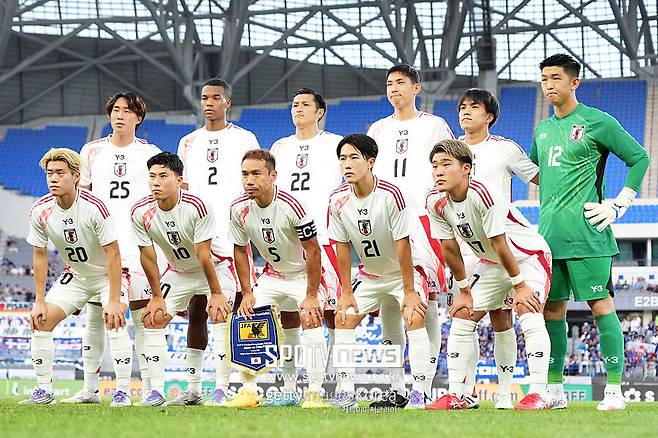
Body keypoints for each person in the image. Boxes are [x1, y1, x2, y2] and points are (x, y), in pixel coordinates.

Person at [530, 53, 649, 411]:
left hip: (589, 235)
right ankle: (554, 391)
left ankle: (613, 391)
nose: (549, 85)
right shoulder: (542, 130)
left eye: (555, 78)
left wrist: (619, 204)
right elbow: (537, 173)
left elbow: (639, 158)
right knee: (552, 313)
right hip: (549, 239)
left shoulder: (597, 121)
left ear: (574, 82)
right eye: (544, 79)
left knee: (601, 307)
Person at [424, 139, 551, 410]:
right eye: (434, 166)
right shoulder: (434, 201)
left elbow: (499, 243)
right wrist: (464, 290)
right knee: (462, 313)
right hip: (491, 262)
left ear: (466, 168)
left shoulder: (482, 193)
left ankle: (539, 393)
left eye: (446, 164)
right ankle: (456, 395)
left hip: (527, 257)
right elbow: (449, 247)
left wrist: (520, 286)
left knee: (527, 308)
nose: (438, 171)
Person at [62, 92, 161, 405]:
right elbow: (80, 199)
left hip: (138, 246)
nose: (119, 115)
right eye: (115, 110)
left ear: (138, 117)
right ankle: (90, 390)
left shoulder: (151, 153)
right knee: (95, 318)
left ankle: (150, 390)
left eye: (127, 111)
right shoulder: (91, 151)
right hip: (100, 248)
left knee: (143, 318)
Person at [367, 64, 453, 404]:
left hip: (422, 219)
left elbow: (449, 166)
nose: (393, 89)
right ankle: (395, 386)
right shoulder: (377, 128)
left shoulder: (434, 125)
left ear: (416, 88)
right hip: (384, 222)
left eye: (400, 83)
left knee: (424, 300)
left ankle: (423, 384)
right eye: (389, 83)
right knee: (389, 301)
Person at [21, 148, 133, 406]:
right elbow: (40, 255)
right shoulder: (40, 210)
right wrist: (39, 301)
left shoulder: (94, 207)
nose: (53, 178)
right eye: (49, 173)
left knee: (114, 319)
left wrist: (113, 300)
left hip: (107, 274)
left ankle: (122, 392)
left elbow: (114, 253)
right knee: (41, 320)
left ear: (76, 176)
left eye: (60, 173)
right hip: (77, 275)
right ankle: (44, 391)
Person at [328, 134, 431, 410]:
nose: (347, 164)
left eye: (354, 157)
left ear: (371, 162)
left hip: (405, 272)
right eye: (342, 158)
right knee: (344, 318)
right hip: (370, 275)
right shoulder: (337, 200)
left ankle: (420, 393)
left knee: (413, 316)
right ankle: (346, 393)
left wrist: (409, 291)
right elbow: (341, 247)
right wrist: (346, 292)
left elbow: (403, 244)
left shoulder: (391, 194)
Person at [453, 88, 540, 409]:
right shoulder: (450, 150)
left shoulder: (505, 149)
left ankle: (505, 391)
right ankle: (464, 392)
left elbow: (541, 178)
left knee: (501, 317)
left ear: (489, 116)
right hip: (462, 246)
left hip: (497, 248)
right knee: (465, 317)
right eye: (462, 107)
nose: (465, 112)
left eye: (474, 107)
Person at [222, 149, 328, 409]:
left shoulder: (292, 206)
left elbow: (314, 251)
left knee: (310, 318)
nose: (249, 180)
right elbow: (240, 250)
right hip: (273, 275)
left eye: (256, 174)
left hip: (304, 275)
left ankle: (314, 392)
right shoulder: (238, 208)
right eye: (245, 174)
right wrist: (247, 292)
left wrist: (311, 296)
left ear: (273, 176)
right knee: (247, 317)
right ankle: (249, 391)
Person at [175, 78, 258, 405]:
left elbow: (253, 181)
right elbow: (182, 188)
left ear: (227, 102)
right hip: (198, 235)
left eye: (215, 98)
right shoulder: (188, 142)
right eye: (204, 98)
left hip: (233, 233)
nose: (208, 103)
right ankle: (195, 388)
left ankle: (234, 385)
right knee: (197, 309)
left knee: (237, 310)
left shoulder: (244, 139)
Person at [131, 152, 233, 407]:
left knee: (219, 314)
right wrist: (156, 297)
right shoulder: (140, 211)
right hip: (179, 272)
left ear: (179, 180)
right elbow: (147, 256)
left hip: (215, 267)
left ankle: (222, 390)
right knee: (153, 319)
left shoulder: (196, 206)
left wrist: (216, 293)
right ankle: (157, 392)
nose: (156, 182)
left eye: (163, 176)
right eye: (152, 176)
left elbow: (204, 254)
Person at [270, 88, 342, 400]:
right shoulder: (280, 146)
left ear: (319, 112)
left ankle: (337, 384)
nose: (298, 109)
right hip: (287, 241)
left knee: (332, 313)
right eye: (294, 104)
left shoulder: (335, 144)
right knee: (289, 314)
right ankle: (288, 386)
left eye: (305, 104)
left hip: (324, 238)